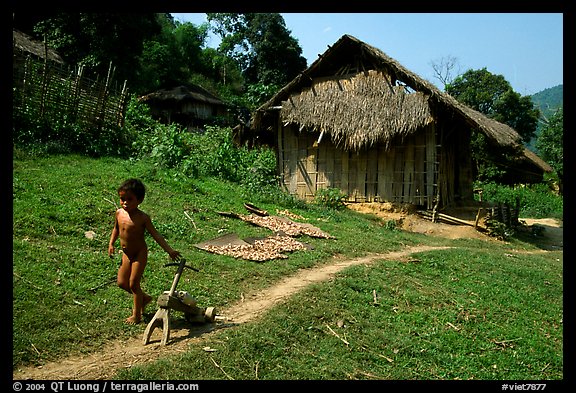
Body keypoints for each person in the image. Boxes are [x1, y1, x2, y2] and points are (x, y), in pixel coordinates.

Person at [108, 178, 181, 324]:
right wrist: (111, 243)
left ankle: (136, 315)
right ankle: (144, 298)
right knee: (122, 283)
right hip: (126, 254)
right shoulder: (119, 213)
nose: (125, 203)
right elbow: (116, 229)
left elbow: (156, 235)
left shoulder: (143, 218)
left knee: (134, 284)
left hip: (139, 254)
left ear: (139, 200)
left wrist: (169, 250)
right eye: (122, 199)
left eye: (130, 199)